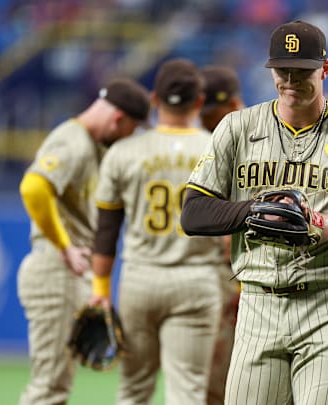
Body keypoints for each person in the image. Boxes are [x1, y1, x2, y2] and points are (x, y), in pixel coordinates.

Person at [181, 20, 328, 405]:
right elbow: (193, 214)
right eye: (283, 71)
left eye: (302, 71)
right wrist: (254, 210)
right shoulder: (238, 128)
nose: (291, 80)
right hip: (258, 303)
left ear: (324, 69)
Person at [89, 58, 224, 404]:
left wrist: (100, 289)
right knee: (189, 389)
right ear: (198, 101)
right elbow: (231, 230)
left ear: (154, 99)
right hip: (197, 279)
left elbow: (106, 231)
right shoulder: (217, 148)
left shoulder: (122, 152)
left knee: (134, 389)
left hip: (140, 278)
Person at [17, 78, 149, 405]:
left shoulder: (89, 144)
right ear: (118, 119)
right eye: (128, 130)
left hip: (67, 270)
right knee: (49, 389)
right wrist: (64, 245)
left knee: (56, 386)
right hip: (56, 268)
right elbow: (32, 188)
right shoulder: (72, 140)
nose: (124, 139)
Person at [200, 64, 245, 405]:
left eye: (208, 111)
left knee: (231, 382)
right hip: (207, 276)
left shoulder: (249, 141)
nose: (201, 117)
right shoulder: (204, 143)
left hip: (235, 280)